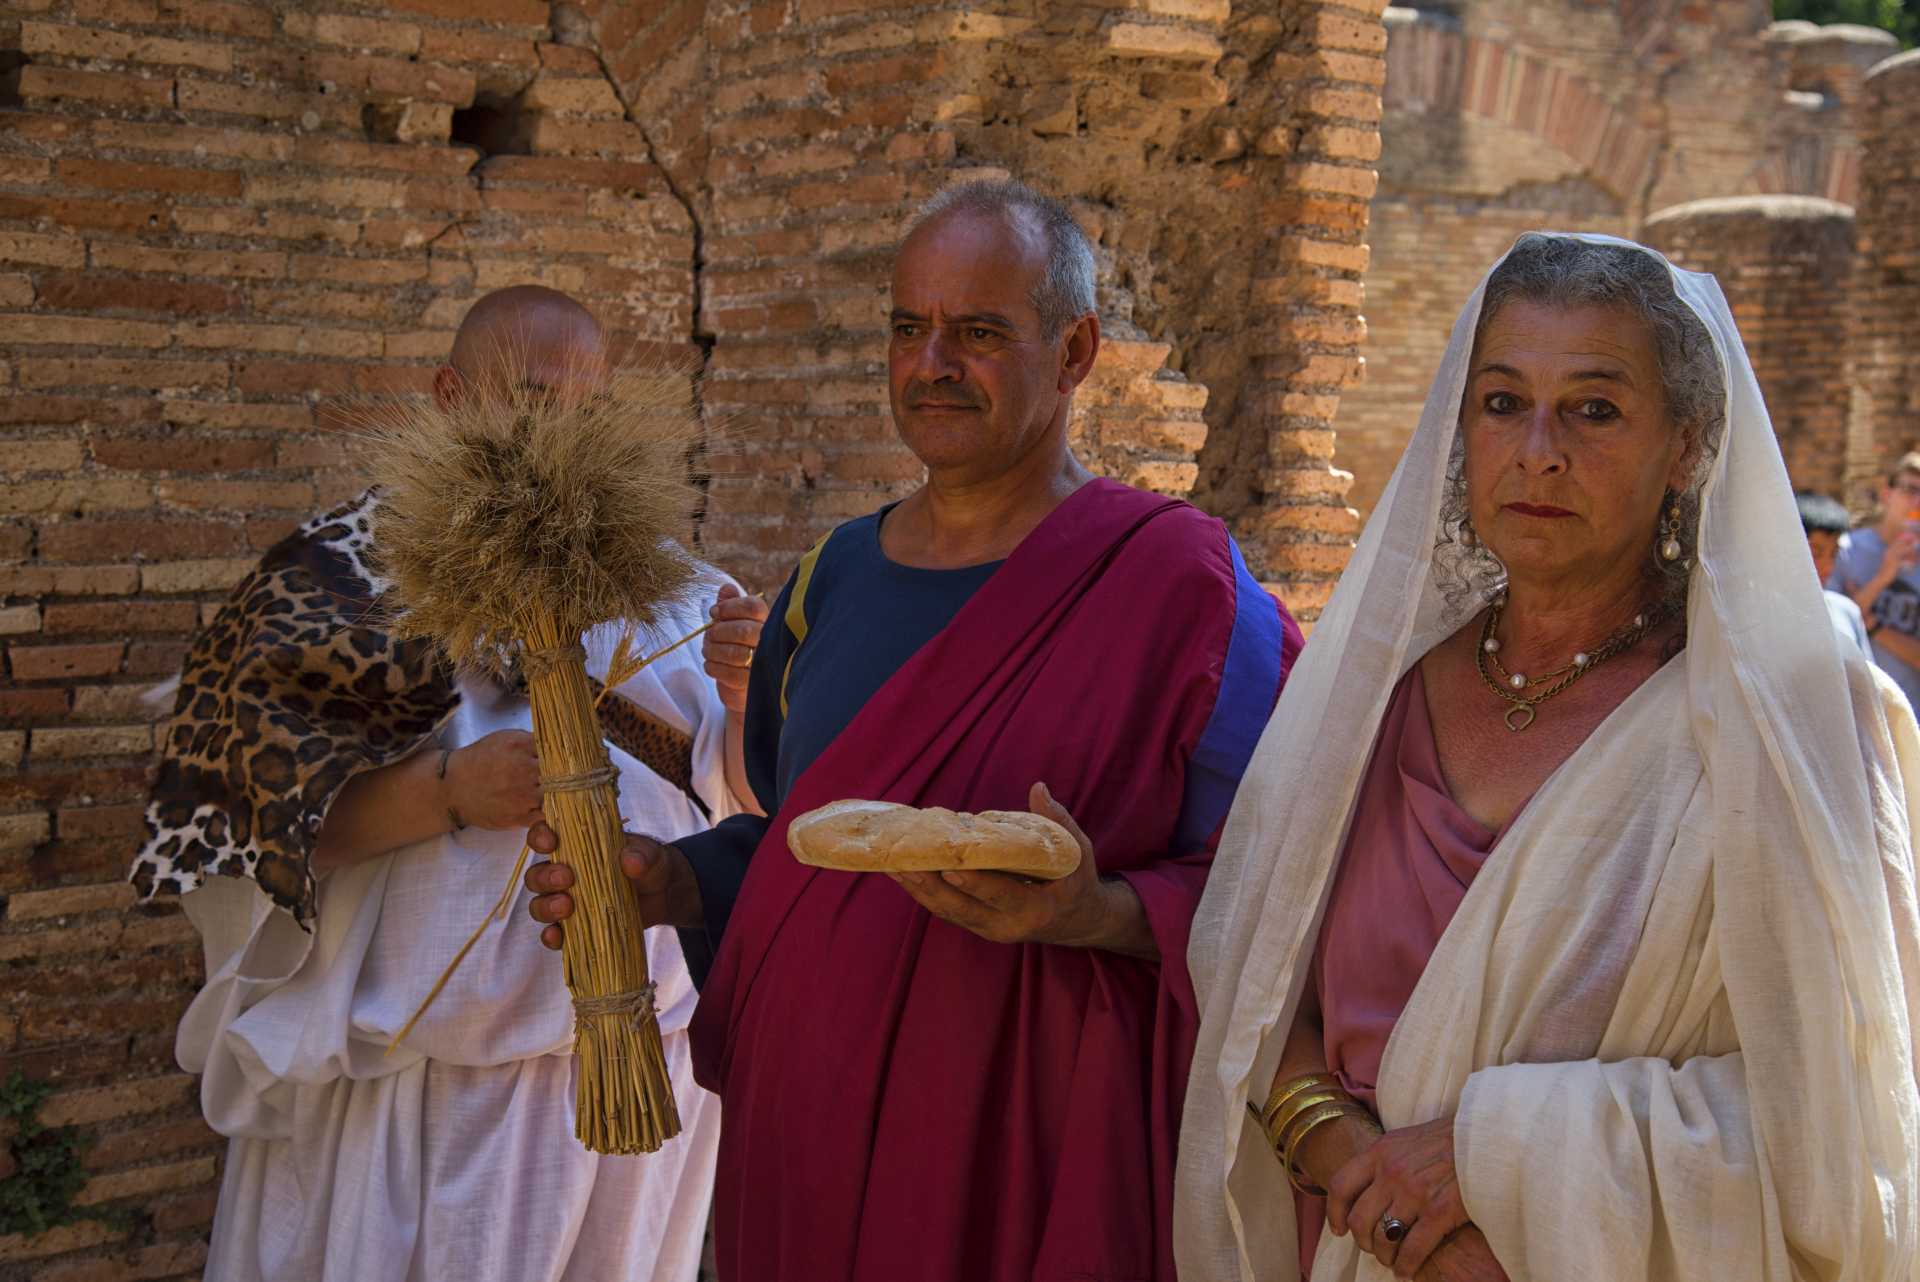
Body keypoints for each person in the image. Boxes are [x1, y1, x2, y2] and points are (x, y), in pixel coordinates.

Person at [526, 178, 1302, 1281]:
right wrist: (668, 882)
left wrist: (1104, 914)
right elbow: (803, 846)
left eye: (978, 333)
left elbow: (1280, 880)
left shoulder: (1184, 589)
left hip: (1022, 1149)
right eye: (907, 329)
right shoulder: (826, 580)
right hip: (809, 1130)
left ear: (1076, 349)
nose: (930, 363)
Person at [1175, 234, 1920, 1282]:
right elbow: (1259, 990)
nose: (1538, 450)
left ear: (1690, 447)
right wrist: (1389, 1203)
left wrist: (1493, 1161)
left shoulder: (1793, 728)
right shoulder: (1369, 701)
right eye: (1501, 402)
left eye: (1596, 408)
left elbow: (1849, 1122)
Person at [128, 286, 756, 1282]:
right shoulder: (339, 581)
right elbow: (234, 820)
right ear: (449, 396)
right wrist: (449, 791)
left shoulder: (676, 587)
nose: (558, 433)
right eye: (529, 397)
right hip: (417, 1099)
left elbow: (743, 802)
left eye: (586, 409)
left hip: (639, 1076)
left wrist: (747, 693)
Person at [1829, 454, 1920, 707]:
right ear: (1886, 494)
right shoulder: (1845, 551)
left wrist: (1874, 627)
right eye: (1910, 489)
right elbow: (1831, 630)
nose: (1917, 501)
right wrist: (1884, 576)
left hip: (1911, 713)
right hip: (1855, 707)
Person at [1799, 490, 1871, 655]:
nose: (1827, 566)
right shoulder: (1764, 616)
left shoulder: (1846, 612)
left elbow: (1865, 678)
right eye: (1815, 553)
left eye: (1834, 554)